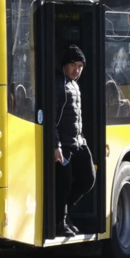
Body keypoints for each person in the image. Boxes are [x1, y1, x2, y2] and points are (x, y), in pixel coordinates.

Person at [53, 44, 92, 236]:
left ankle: (64, 212)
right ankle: (59, 222)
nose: (76, 70)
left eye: (80, 66)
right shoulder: (58, 84)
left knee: (88, 178)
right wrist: (55, 145)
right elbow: (52, 118)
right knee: (64, 182)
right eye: (73, 65)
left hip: (77, 142)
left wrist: (82, 139)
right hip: (63, 144)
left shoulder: (74, 84)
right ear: (64, 65)